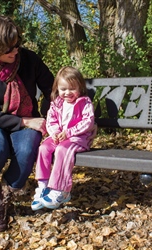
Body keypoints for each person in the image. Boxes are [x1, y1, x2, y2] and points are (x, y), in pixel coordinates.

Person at [0, 15, 54, 232]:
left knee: (26, 150)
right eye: (9, 49)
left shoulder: (30, 60)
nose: (16, 51)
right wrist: (25, 120)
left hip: (26, 120)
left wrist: (49, 117)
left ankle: (1, 203)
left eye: (17, 44)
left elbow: (52, 90)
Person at [31, 66, 95, 210]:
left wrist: (68, 132)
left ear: (80, 87)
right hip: (60, 137)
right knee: (43, 148)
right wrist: (54, 133)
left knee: (62, 150)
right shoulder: (56, 103)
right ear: (57, 89)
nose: (67, 93)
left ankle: (61, 191)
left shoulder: (84, 103)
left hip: (78, 138)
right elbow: (51, 120)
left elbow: (88, 122)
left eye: (72, 88)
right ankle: (43, 187)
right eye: (63, 89)